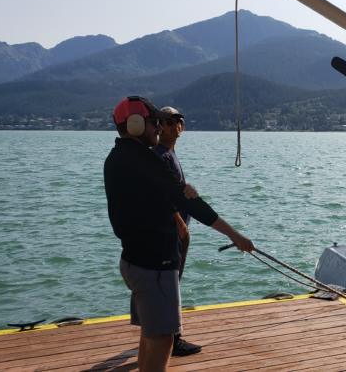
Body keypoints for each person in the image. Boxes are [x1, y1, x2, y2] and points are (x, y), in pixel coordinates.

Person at [104, 96, 254, 372]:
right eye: (153, 123)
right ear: (135, 125)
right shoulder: (145, 161)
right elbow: (191, 205)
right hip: (154, 265)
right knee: (162, 340)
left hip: (134, 260)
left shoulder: (118, 157)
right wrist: (235, 236)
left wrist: (174, 194)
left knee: (150, 333)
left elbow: (151, 198)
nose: (158, 129)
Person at [152, 106, 198, 356]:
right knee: (170, 285)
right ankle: (173, 339)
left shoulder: (169, 154)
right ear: (158, 125)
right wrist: (180, 225)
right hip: (173, 232)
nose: (174, 125)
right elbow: (161, 195)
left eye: (178, 120)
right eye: (168, 121)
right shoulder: (160, 156)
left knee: (173, 283)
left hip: (177, 230)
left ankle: (165, 335)